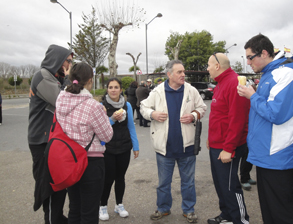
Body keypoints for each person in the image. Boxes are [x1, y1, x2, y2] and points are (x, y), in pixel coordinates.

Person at [237, 34, 293, 224]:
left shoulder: (285, 74)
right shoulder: (271, 73)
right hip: (267, 152)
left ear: (264, 53)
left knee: (281, 210)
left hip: (277, 152)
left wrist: (253, 96)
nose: (248, 62)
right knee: (269, 209)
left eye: (250, 57)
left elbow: (276, 114)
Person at [140, 60, 207, 223]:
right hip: (165, 148)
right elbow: (143, 107)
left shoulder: (191, 90)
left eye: (183, 72)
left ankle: (189, 210)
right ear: (169, 74)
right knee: (163, 183)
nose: (183, 74)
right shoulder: (158, 91)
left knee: (189, 183)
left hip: (188, 147)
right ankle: (163, 208)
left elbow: (202, 108)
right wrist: (153, 114)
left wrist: (193, 115)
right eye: (179, 72)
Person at [56, 62, 113, 224]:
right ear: (90, 80)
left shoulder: (60, 100)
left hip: (69, 160)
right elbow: (107, 135)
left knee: (74, 207)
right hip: (91, 163)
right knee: (89, 211)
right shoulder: (93, 106)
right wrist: (104, 116)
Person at [28, 44, 73, 224]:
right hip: (42, 140)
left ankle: (57, 216)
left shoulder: (55, 77)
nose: (69, 65)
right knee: (47, 184)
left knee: (59, 181)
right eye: (68, 61)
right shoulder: (42, 76)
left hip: (54, 139)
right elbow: (63, 101)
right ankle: (50, 219)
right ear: (58, 60)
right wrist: (69, 79)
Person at [206, 53, 250, 224]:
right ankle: (227, 216)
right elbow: (219, 115)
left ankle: (240, 220)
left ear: (217, 66)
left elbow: (237, 120)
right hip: (218, 144)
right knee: (221, 184)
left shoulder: (234, 82)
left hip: (228, 147)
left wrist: (229, 148)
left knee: (230, 186)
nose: (207, 68)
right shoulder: (221, 83)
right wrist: (211, 139)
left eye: (209, 65)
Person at [99, 78, 139, 221]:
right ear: (107, 89)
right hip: (107, 147)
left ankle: (119, 204)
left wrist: (136, 146)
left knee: (120, 178)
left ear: (121, 90)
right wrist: (112, 119)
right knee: (108, 179)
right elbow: (100, 128)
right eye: (110, 87)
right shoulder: (101, 105)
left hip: (124, 146)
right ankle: (102, 206)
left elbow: (131, 127)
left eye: (116, 87)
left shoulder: (127, 105)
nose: (113, 90)